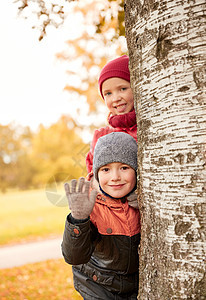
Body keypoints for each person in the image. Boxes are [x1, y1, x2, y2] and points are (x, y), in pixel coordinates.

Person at [62, 132, 141, 300]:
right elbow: (74, 256)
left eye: (124, 168)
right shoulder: (90, 204)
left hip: (134, 285)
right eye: (106, 169)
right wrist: (78, 219)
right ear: (97, 173)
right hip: (97, 285)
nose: (115, 177)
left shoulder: (143, 201)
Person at [86, 55, 137, 177]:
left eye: (123, 89)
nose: (116, 98)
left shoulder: (152, 126)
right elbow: (95, 176)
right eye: (108, 93)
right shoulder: (102, 136)